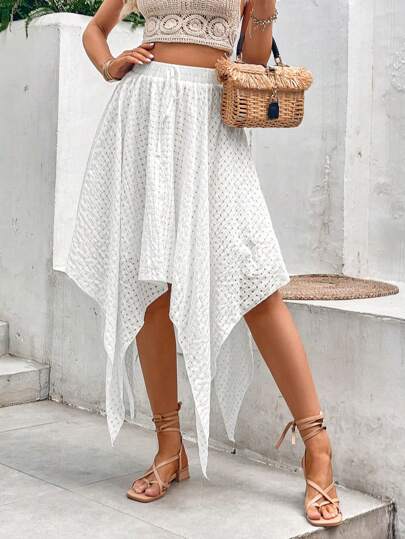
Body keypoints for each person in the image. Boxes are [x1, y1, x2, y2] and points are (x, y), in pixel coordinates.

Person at [66, 0, 342, 528]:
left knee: (258, 283)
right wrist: (109, 65)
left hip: (212, 123)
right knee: (151, 285)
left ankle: (318, 446)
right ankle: (169, 446)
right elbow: (96, 29)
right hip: (144, 115)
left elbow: (254, 60)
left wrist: (264, 7)